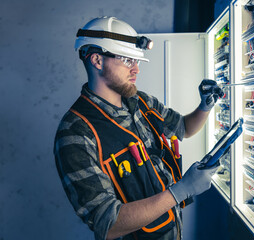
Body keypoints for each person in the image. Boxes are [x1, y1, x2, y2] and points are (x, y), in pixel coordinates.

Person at [54, 17, 225, 240]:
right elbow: (108, 223)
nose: (136, 69)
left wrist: (205, 106)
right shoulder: (76, 133)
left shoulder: (141, 101)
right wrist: (182, 190)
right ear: (96, 60)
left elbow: (183, 128)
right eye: (127, 60)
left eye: (137, 60)